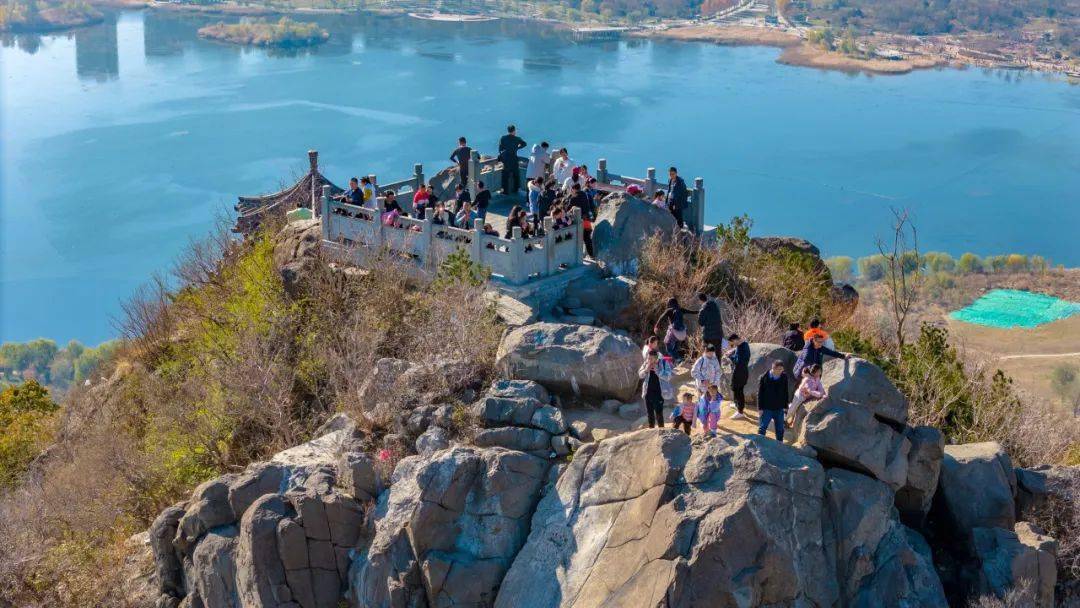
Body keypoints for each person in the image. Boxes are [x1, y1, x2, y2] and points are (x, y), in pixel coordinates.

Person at [653, 297, 696, 365]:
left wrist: (656, 326)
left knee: (667, 344)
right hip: (682, 333)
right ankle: (677, 361)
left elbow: (661, 317)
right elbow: (693, 312)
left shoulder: (669, 310)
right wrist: (702, 310)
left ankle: (678, 359)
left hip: (673, 332)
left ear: (670, 303)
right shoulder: (681, 309)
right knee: (675, 348)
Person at [637, 349, 673, 429]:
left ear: (656, 358)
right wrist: (646, 370)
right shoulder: (646, 363)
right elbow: (640, 375)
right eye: (648, 358)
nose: (649, 360)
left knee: (659, 414)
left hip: (659, 393)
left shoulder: (663, 363)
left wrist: (658, 371)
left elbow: (668, 376)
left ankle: (662, 431)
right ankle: (651, 431)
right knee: (650, 414)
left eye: (651, 359)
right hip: (647, 392)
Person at [757, 359, 790, 442]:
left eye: (782, 369)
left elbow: (785, 391)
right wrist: (760, 408)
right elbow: (760, 394)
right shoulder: (764, 377)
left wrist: (785, 406)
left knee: (780, 429)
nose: (781, 371)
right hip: (767, 408)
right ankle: (760, 443)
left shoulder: (784, 376)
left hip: (779, 408)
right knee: (762, 427)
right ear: (773, 368)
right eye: (779, 369)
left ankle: (779, 444)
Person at [725, 333, 751, 420]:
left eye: (732, 342)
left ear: (735, 340)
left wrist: (730, 357)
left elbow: (738, 362)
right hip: (741, 372)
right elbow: (737, 352)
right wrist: (732, 351)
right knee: (735, 389)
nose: (732, 344)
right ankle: (737, 405)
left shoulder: (742, 348)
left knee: (738, 391)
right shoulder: (743, 345)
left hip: (740, 373)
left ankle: (740, 412)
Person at [567, 183, 595, 257]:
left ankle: (578, 255)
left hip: (578, 221)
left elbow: (568, 208)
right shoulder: (585, 195)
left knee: (577, 239)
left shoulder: (573, 198)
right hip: (587, 220)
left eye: (572, 189)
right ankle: (591, 255)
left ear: (574, 189)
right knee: (587, 239)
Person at [498, 125, 527, 195]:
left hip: (506, 160)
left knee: (505, 176)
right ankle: (516, 190)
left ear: (508, 131)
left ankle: (505, 191)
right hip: (514, 159)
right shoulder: (517, 138)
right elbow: (524, 144)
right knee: (516, 175)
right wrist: (517, 148)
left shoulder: (503, 138)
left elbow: (500, 149)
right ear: (514, 131)